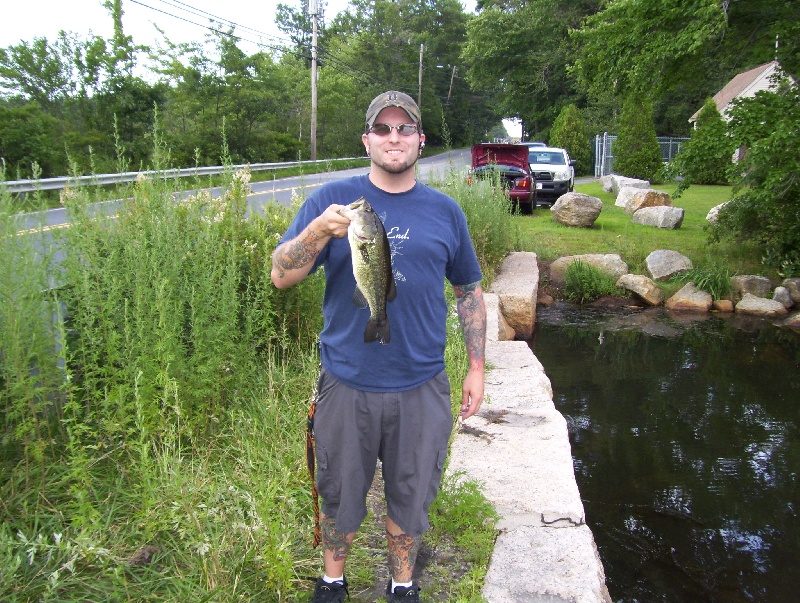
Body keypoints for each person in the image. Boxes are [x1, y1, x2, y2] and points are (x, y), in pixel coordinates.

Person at [270, 90, 486, 603]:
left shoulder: (446, 211)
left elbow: (469, 291)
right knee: (339, 490)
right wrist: (320, 232)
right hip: (347, 380)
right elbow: (281, 275)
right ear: (367, 139)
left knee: (411, 494)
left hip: (422, 382)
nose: (394, 138)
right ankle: (332, 580)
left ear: (419, 140)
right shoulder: (333, 201)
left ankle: (403, 584)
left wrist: (476, 367)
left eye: (404, 129)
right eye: (383, 129)